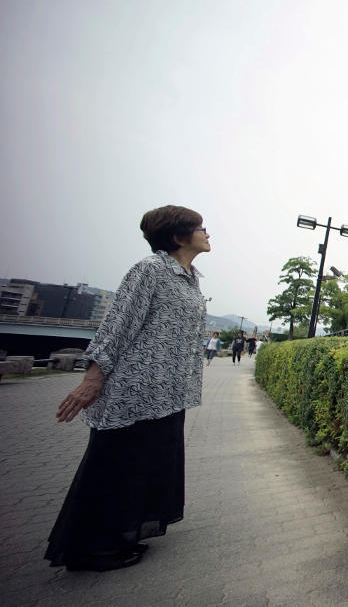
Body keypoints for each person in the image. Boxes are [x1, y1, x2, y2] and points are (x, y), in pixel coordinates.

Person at [45, 205, 210, 572]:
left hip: (167, 393)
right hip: (135, 390)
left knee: (147, 466)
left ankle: (124, 534)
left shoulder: (190, 277)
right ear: (178, 236)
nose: (207, 233)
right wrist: (93, 377)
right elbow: (118, 323)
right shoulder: (149, 270)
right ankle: (93, 549)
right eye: (200, 228)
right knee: (118, 466)